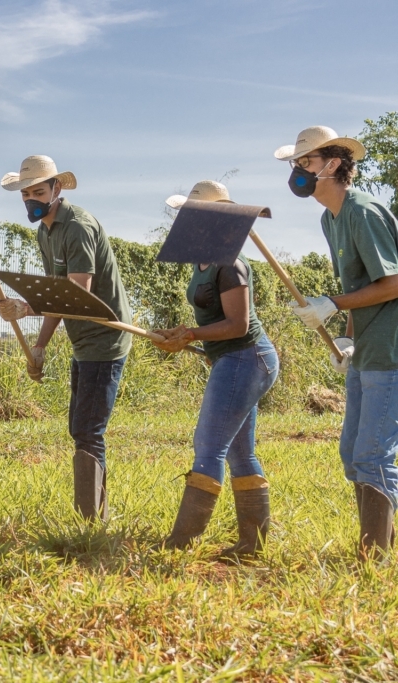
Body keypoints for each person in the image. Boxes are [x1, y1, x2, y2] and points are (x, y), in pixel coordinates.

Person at [275, 126, 398, 561]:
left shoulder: (363, 212)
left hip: (391, 350)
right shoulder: (330, 218)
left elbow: (394, 282)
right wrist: (346, 334)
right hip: (366, 347)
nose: (297, 172)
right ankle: (381, 544)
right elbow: (359, 282)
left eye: (304, 163)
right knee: (352, 455)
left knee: (373, 454)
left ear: (332, 164)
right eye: (295, 165)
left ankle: (375, 559)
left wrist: (331, 303)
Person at [0, 155, 132, 521]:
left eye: (38, 191)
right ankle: (93, 513)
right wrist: (39, 345)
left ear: (56, 188)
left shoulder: (78, 227)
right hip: (81, 338)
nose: (31, 200)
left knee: (88, 429)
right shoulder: (45, 232)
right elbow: (57, 297)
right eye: (25, 194)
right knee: (79, 426)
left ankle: (91, 521)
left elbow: (75, 294)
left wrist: (24, 308)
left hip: (107, 335)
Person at [152, 181, 280, 556]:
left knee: (208, 446)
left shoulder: (231, 264)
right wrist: (181, 334)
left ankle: (180, 544)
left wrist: (190, 333)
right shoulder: (203, 260)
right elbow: (214, 320)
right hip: (232, 359)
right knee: (241, 452)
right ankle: (251, 546)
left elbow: (238, 325)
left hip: (248, 356)